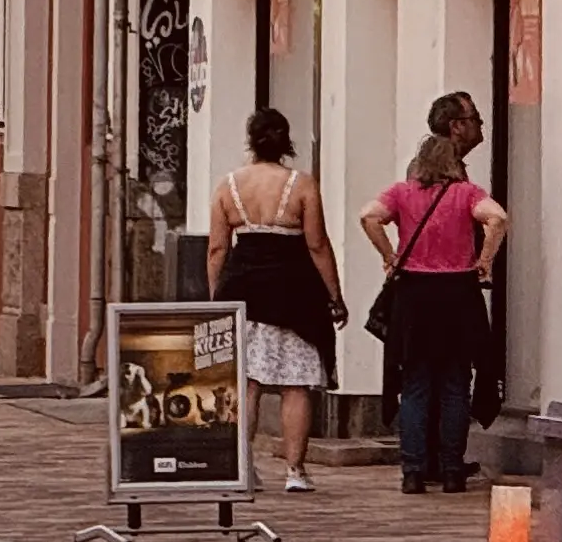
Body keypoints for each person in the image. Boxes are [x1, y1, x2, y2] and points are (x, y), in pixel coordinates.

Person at [363, 129, 509, 492]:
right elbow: (498, 218)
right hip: (458, 295)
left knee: (415, 386)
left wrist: (389, 256)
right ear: (455, 164)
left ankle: (413, 471)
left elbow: (369, 215)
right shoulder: (466, 193)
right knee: (456, 385)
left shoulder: (401, 192)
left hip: (414, 295)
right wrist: (484, 260)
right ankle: (451, 470)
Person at [209, 109, 346, 491]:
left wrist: (216, 297)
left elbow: (217, 248)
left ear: (251, 140)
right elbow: (317, 245)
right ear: (286, 141)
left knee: (246, 382)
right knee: (296, 383)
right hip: (294, 292)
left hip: (242, 289)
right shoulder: (302, 184)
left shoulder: (228, 186)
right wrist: (335, 295)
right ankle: (295, 472)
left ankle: (241, 467)